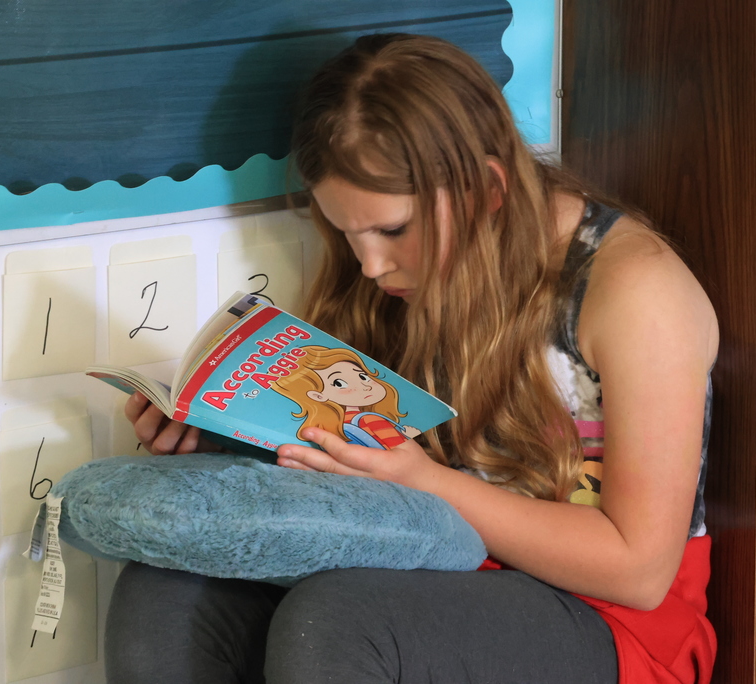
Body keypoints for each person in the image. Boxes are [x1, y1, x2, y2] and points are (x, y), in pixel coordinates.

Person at [109, 32, 718, 684]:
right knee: (168, 583)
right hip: (431, 560)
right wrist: (221, 437)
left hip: (611, 623)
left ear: (487, 189)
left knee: (339, 620)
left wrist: (423, 480)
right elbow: (361, 460)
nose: (371, 265)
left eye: (392, 231)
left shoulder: (635, 291)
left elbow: (640, 571)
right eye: (348, 234)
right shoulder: (394, 280)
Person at [270, 344, 420, 448]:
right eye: (340, 383)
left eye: (363, 376)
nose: (365, 385)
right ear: (317, 396)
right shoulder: (370, 419)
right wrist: (408, 437)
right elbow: (395, 448)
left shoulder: (330, 427)